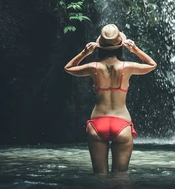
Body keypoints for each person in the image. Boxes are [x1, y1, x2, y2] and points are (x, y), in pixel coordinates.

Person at [64, 23, 157, 174]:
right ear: (120, 44)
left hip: (97, 123)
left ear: (100, 46)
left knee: (99, 177)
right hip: (121, 123)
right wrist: (135, 49)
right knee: (120, 177)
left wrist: (84, 53)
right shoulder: (127, 67)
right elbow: (152, 64)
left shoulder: (93, 67)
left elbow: (68, 68)